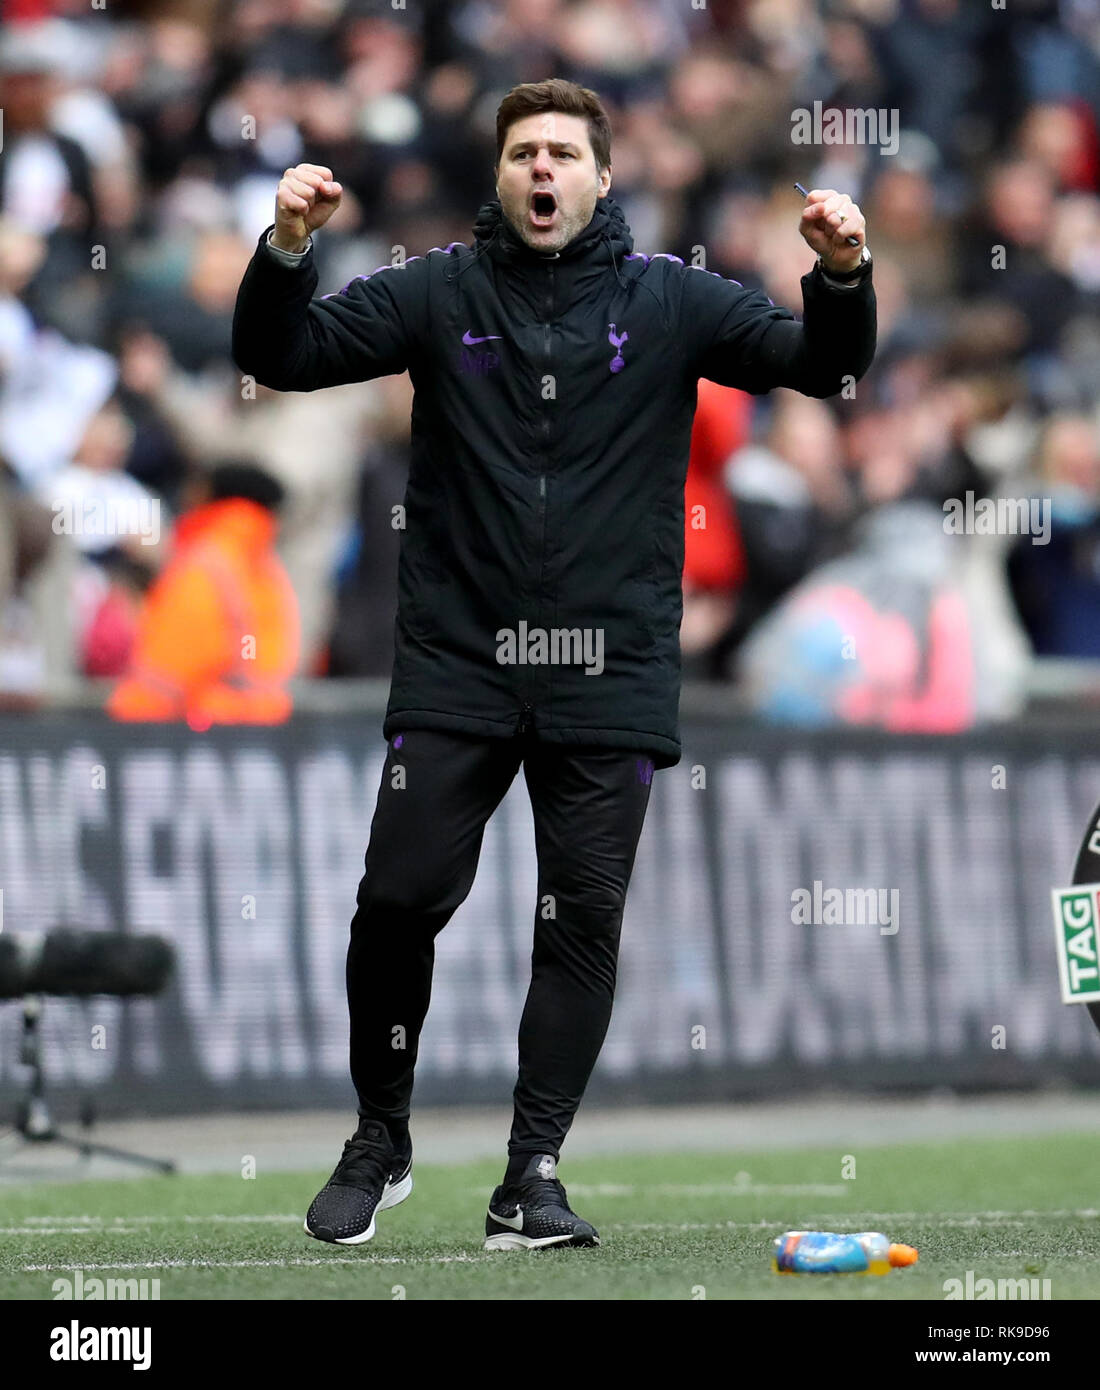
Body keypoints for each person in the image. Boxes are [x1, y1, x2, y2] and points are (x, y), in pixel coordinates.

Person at [232, 77, 876, 1252]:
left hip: (610, 670)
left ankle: (530, 1172)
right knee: (396, 902)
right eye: (523, 152)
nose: (541, 171)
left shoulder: (671, 300)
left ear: (600, 176)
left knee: (579, 922)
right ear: (500, 174)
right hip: (458, 663)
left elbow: (818, 367)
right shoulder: (437, 289)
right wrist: (284, 249)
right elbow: (283, 353)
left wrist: (838, 276)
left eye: (563, 154)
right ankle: (381, 1136)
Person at [105, 461, 299, 728]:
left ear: (208, 495)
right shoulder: (266, 565)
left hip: (199, 735)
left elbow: (164, 674)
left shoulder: (204, 564)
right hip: (259, 730)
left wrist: (124, 730)